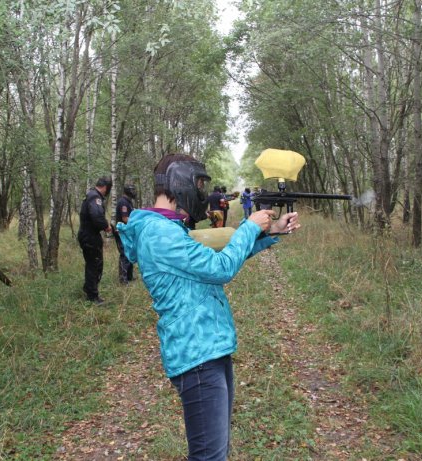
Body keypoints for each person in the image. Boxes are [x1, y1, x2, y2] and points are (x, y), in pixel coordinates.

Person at [116, 154, 299, 461]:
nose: (202, 193)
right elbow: (220, 269)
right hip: (196, 355)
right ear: (180, 183)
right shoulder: (159, 233)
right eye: (199, 184)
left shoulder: (168, 228)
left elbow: (211, 264)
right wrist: (250, 227)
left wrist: (269, 232)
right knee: (209, 457)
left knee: (215, 452)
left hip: (209, 349)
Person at [78, 176, 112, 304]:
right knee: (95, 265)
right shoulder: (95, 197)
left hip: (88, 235)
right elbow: (97, 216)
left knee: (92, 264)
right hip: (90, 236)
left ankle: (89, 289)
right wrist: (106, 226)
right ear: (105, 187)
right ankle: (92, 296)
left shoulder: (91, 195)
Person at [114, 183, 136, 284]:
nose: (134, 192)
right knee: (124, 254)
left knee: (129, 253)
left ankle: (129, 276)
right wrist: (136, 221)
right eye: (132, 190)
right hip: (122, 232)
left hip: (127, 232)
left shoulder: (128, 202)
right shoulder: (123, 202)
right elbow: (125, 218)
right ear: (128, 191)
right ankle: (123, 279)